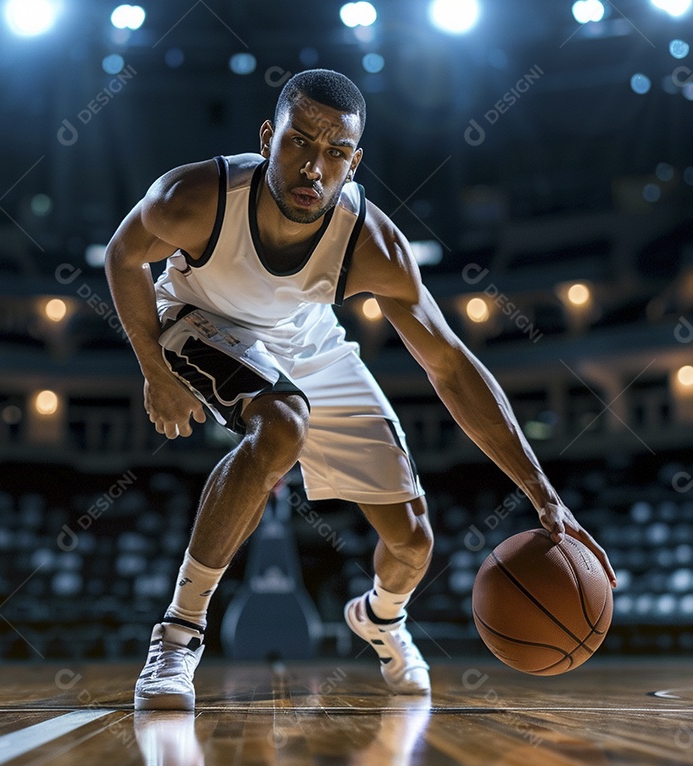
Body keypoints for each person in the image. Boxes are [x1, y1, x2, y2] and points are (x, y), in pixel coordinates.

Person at [105, 69, 615, 710]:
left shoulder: (373, 244)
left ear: (354, 161)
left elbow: (451, 368)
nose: (313, 168)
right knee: (283, 424)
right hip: (199, 317)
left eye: (335, 153)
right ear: (268, 137)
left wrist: (544, 495)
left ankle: (381, 617)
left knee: (412, 540)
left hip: (306, 338)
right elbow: (124, 257)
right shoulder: (195, 196)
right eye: (299, 143)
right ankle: (177, 636)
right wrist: (155, 369)